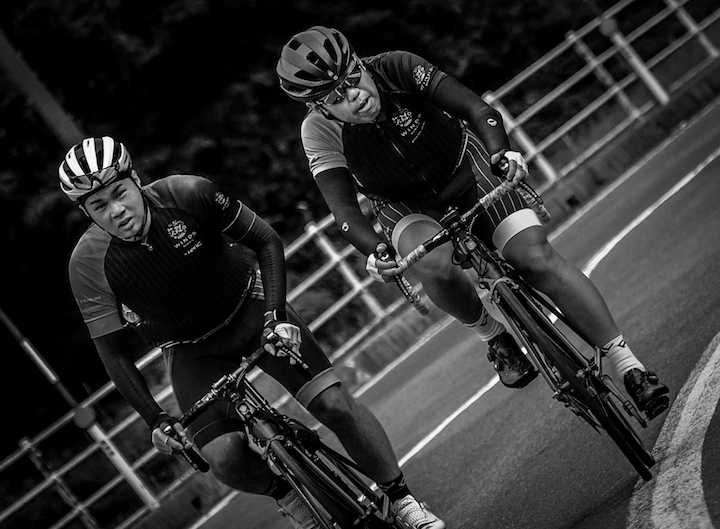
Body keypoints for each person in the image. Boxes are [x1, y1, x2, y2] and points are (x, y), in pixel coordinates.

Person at [276, 26, 670, 418]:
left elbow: (477, 110)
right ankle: (493, 335)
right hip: (404, 204)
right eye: (335, 96)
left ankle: (627, 365)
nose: (354, 95)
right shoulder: (317, 132)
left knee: (534, 258)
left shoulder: (397, 67)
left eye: (353, 78)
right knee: (431, 264)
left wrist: (504, 154)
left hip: (467, 168)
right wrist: (375, 250)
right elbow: (343, 211)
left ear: (361, 62)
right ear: (319, 107)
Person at [59, 136, 445, 529]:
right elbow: (114, 353)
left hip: (251, 308)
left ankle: (402, 499)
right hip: (191, 350)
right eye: (99, 206)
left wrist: (276, 316)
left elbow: (265, 239)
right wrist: (155, 419)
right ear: (86, 212)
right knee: (222, 458)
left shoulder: (187, 194)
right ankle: (292, 497)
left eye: (119, 193)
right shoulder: (87, 265)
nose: (116, 210)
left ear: (135, 180)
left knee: (333, 405)